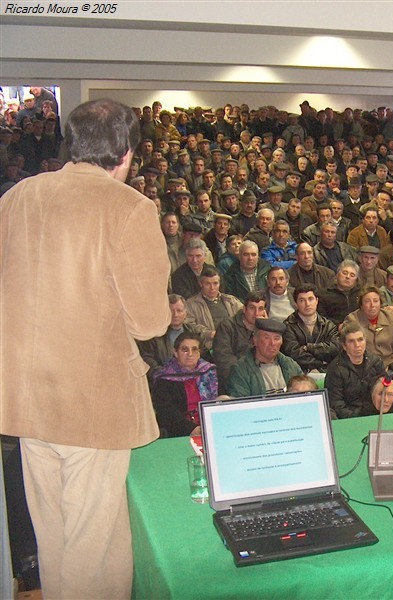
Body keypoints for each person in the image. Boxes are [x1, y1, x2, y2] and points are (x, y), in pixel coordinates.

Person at [0, 99, 171, 599]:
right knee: (92, 552)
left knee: (53, 541)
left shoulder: (16, 197)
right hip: (93, 405)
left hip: (27, 400)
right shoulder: (130, 208)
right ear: (127, 153)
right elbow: (150, 322)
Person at [151, 332, 218, 437]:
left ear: (199, 353)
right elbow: (166, 412)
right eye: (185, 350)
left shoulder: (210, 372)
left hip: (210, 426)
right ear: (176, 352)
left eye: (194, 349)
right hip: (179, 431)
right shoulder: (164, 378)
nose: (190, 354)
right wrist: (191, 429)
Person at [227, 318, 303, 397]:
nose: (272, 343)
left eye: (276, 338)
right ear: (255, 340)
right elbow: (241, 403)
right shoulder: (240, 370)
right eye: (266, 338)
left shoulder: (290, 365)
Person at [325, 322, 386, 418]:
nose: (357, 345)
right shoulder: (335, 369)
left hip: (375, 412)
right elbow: (336, 404)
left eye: (360, 340)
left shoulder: (376, 362)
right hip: (349, 416)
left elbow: (384, 390)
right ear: (344, 346)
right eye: (351, 341)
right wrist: (357, 415)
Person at [212, 291, 268, 392]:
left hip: (261, 378)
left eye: (260, 309)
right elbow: (223, 360)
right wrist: (248, 375)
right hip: (233, 380)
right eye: (252, 308)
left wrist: (265, 330)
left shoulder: (265, 329)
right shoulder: (227, 326)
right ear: (244, 309)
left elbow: (270, 357)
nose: (256, 313)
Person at [281, 284, 340, 372]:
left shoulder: (328, 325)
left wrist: (309, 347)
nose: (307, 304)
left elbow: (335, 348)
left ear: (317, 301)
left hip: (327, 372)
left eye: (310, 299)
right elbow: (293, 353)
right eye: (302, 300)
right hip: (298, 372)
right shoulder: (288, 325)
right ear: (296, 303)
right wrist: (321, 362)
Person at [343, 287, 393, 366]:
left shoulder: (391, 317)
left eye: (376, 301)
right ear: (361, 305)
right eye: (367, 301)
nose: (372, 305)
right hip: (364, 366)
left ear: (380, 303)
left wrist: (391, 366)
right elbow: (350, 351)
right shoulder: (352, 320)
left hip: (390, 365)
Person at [318, 259, 361, 324]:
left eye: (352, 275)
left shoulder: (361, 294)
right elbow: (321, 318)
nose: (347, 277)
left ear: (356, 280)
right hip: (333, 331)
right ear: (337, 275)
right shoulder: (324, 295)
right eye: (345, 273)